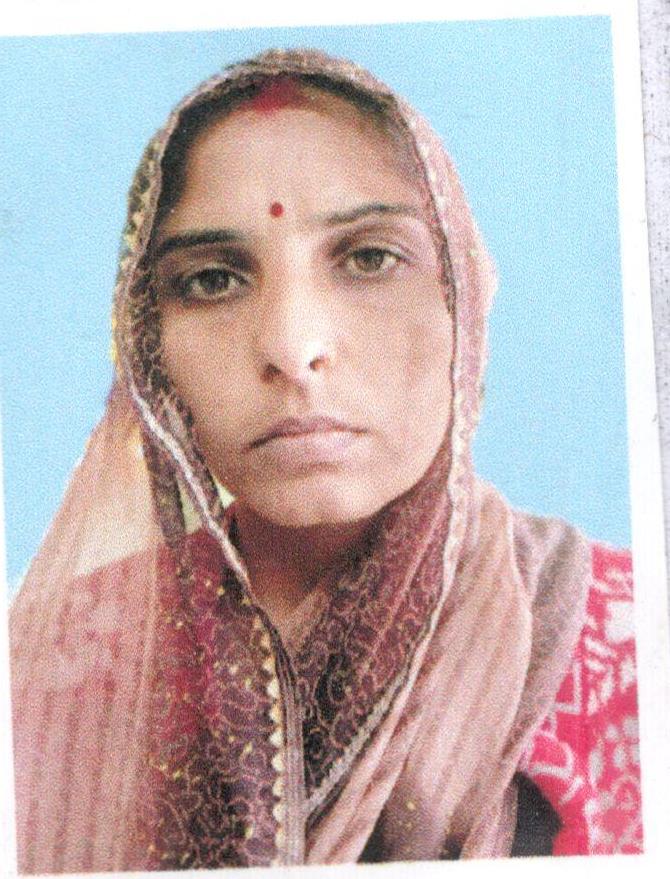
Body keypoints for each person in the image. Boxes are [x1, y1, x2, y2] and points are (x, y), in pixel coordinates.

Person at [8, 48, 641, 873]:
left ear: (464, 301)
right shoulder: (45, 671)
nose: (292, 345)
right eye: (212, 279)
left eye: (370, 258)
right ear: (150, 347)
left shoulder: (632, 643)